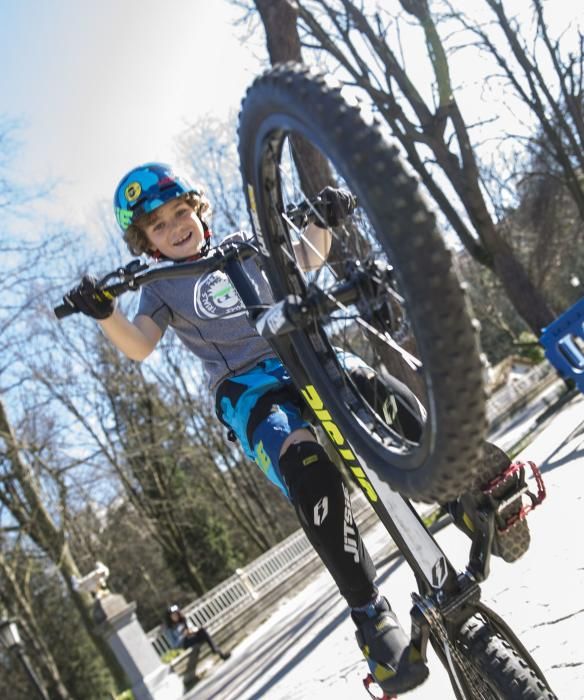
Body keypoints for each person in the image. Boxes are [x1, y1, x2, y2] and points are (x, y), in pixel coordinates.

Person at [64, 162, 518, 695]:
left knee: (375, 389)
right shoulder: (160, 287)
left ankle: (457, 485)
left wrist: (321, 218)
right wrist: (103, 312)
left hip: (300, 353)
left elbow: (303, 261)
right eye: (158, 225)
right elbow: (139, 345)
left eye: (181, 211)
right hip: (249, 391)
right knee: (306, 468)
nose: (176, 226)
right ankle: (371, 615)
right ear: (145, 243)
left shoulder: (242, 243)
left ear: (198, 209)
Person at [164, 604, 230, 660]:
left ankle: (217, 650)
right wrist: (183, 635)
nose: (175, 616)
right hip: (184, 643)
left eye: (176, 614)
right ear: (170, 617)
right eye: (173, 615)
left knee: (203, 631)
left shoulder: (183, 621)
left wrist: (193, 630)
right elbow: (174, 645)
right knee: (204, 636)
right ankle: (219, 653)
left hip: (192, 637)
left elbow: (192, 627)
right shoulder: (169, 629)